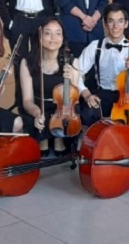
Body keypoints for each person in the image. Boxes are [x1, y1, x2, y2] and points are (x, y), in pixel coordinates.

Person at [19, 17, 85, 156]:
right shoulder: (28, 62)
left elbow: (74, 97)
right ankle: (44, 138)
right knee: (32, 121)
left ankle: (58, 138)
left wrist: (73, 77)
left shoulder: (72, 61)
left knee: (71, 116)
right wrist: (37, 113)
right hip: (38, 107)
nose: (53, 38)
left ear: (63, 37)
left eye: (58, 33)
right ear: (40, 36)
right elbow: (27, 101)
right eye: (48, 33)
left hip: (63, 108)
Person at [77, 3, 129, 123]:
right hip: (102, 93)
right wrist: (86, 94)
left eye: (120, 21)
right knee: (88, 114)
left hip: (127, 95)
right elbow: (76, 73)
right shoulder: (95, 46)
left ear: (126, 24)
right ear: (104, 24)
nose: (115, 26)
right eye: (111, 21)